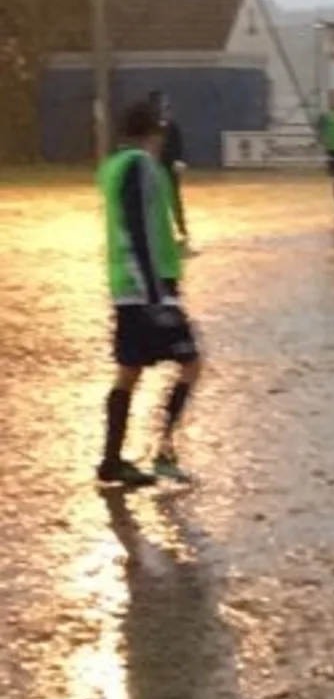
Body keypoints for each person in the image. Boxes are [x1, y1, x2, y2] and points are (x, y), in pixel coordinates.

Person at [97, 100, 203, 487]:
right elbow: (138, 227)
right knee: (191, 362)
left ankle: (111, 461)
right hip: (149, 287)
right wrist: (157, 294)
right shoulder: (140, 166)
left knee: (129, 371)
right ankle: (164, 449)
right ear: (153, 132)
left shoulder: (113, 165)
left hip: (127, 287)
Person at [149, 90, 190, 251]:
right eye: (161, 104)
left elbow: (178, 144)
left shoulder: (172, 126)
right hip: (153, 168)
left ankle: (181, 229)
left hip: (170, 167)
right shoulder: (149, 127)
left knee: (174, 198)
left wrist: (179, 160)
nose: (164, 108)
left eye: (166, 105)